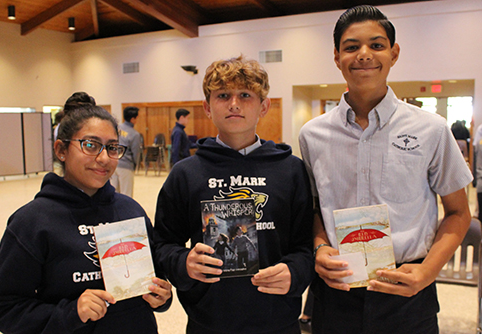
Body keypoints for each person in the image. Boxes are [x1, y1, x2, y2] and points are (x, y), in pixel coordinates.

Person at [298, 5, 472, 333]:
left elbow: (458, 213)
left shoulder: (431, 129)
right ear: (337, 57)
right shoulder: (312, 134)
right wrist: (320, 247)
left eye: (376, 45)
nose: (364, 54)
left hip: (408, 290)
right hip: (337, 290)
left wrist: (427, 272)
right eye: (351, 47)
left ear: (394, 54)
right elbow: (314, 209)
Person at [153, 55, 314, 334]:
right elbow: (163, 245)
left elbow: (305, 246)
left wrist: (294, 272)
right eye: (223, 95)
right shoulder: (185, 174)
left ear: (264, 106)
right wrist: (184, 262)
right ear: (207, 106)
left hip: (277, 319)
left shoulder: (290, 170)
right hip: (210, 320)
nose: (234, 104)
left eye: (245, 95)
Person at [0, 105, 172, 333]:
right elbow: (2, 307)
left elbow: (155, 279)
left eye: (112, 148)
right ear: (61, 150)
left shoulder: (130, 210)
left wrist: (162, 296)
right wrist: (71, 313)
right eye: (90, 145)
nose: (103, 158)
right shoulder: (32, 222)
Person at [110, 106, 142, 197]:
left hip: (113, 163)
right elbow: (136, 152)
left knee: (113, 193)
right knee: (126, 194)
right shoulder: (134, 134)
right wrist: (136, 165)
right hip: (126, 166)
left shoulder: (115, 128)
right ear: (133, 119)